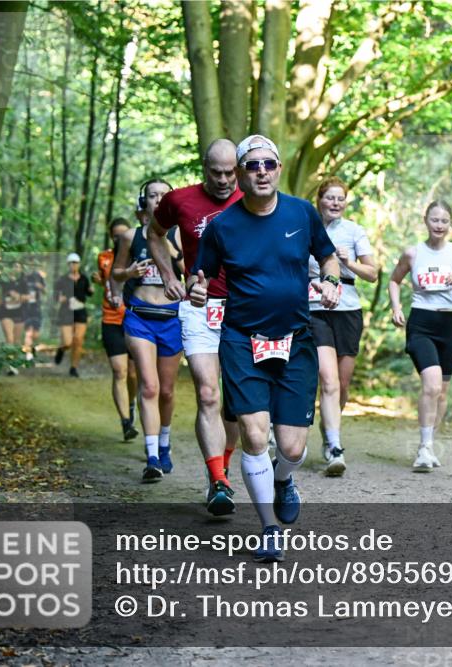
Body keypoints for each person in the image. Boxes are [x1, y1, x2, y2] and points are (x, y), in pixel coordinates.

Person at [191, 134, 340, 561]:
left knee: (292, 448)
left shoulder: (301, 212)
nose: (261, 171)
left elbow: (328, 258)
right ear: (239, 173)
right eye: (252, 165)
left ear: (277, 169)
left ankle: (283, 479)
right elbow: (199, 276)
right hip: (241, 340)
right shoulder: (222, 226)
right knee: (255, 435)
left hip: (295, 341)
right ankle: (269, 527)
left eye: (268, 164)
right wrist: (197, 290)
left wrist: (330, 282)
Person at [148, 138, 243, 515]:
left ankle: (225, 469)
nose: (223, 180)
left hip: (244, 310)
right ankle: (217, 480)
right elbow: (154, 233)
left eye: (230, 172)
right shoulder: (180, 200)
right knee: (207, 394)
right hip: (199, 305)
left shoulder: (255, 199)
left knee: (235, 406)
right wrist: (169, 274)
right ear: (204, 169)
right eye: (216, 172)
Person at [388, 200, 452, 472]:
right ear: (426, 221)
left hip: (449, 325)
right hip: (421, 323)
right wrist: (396, 307)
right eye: (435, 220)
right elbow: (394, 280)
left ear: (450, 224)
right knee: (431, 385)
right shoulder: (412, 253)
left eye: (444, 221)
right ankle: (423, 449)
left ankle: (429, 446)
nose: (439, 225)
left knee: (442, 393)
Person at [112, 178, 182, 483]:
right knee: (150, 386)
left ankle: (164, 443)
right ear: (145, 202)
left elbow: (191, 270)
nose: (158, 200)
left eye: (164, 196)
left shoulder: (180, 235)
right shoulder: (131, 236)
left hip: (172, 318)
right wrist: (128, 273)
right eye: (153, 196)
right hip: (139, 317)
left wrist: (165, 241)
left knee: (166, 391)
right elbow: (116, 272)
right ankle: (152, 456)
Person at [308, 177, 378, 476]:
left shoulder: (354, 231)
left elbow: (373, 274)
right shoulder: (307, 229)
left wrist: (348, 263)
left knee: (343, 384)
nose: (336, 203)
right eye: (330, 198)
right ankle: (335, 447)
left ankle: (328, 433)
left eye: (341, 199)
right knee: (329, 380)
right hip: (315, 308)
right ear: (320, 200)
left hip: (348, 309)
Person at [94, 217, 140, 442]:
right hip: (111, 320)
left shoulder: (136, 258)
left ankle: (131, 405)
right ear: (111, 236)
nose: (120, 238)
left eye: (124, 234)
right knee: (119, 371)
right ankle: (125, 423)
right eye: (116, 235)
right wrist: (99, 281)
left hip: (134, 319)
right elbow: (108, 281)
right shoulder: (103, 257)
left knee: (132, 373)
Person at [54, 253, 93, 378]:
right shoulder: (62, 279)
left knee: (78, 340)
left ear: (79, 264)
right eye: (71, 263)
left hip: (80, 310)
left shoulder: (84, 278)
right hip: (66, 311)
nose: (73, 265)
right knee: (68, 342)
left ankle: (73, 367)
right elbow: (55, 295)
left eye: (75, 262)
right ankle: (61, 349)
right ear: (68, 264)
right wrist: (60, 298)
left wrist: (91, 290)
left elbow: (89, 292)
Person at [21, 265, 46, 362]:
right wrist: (23, 297)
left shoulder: (37, 276)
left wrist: (41, 287)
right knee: (28, 333)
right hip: (25, 308)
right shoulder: (21, 277)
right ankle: (28, 355)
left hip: (36, 308)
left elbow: (44, 291)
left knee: (35, 335)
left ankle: (31, 349)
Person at [0, 264, 24, 345]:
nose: (14, 269)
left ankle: (15, 356)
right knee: (10, 339)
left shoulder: (23, 281)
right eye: (13, 266)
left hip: (19, 313)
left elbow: (29, 296)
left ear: (21, 269)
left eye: (17, 267)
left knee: (17, 341)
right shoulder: (2, 281)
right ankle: (7, 356)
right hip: (5, 313)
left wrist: (18, 296)